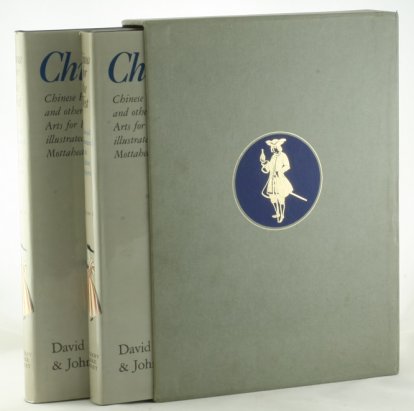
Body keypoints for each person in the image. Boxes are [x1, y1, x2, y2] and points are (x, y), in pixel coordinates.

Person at [260, 138, 293, 223]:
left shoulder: (283, 155)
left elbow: (287, 166)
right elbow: (270, 168)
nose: (273, 150)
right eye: (272, 148)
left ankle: (282, 215)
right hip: (272, 180)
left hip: (279, 179)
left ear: (278, 147)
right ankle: (277, 212)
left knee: (280, 197)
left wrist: (280, 171)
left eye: (275, 148)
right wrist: (264, 163)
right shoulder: (273, 156)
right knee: (273, 198)